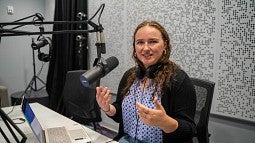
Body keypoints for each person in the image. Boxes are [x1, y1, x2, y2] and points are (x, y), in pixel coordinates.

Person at [96, 20, 196, 143]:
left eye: (153, 42)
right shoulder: (130, 76)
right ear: (134, 47)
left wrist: (165, 122)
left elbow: (189, 130)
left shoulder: (179, 79)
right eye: (140, 42)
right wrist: (107, 108)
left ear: (165, 45)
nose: (145, 48)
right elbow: (120, 115)